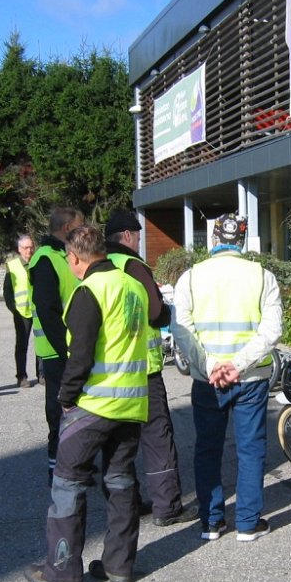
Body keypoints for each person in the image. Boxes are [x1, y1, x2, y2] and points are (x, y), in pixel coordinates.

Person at [25, 223, 150, 582]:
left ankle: (62, 568)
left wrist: (66, 397)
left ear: (75, 258)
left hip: (94, 404)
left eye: (69, 260)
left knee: (67, 480)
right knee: (121, 481)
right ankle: (119, 565)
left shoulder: (90, 290)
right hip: (131, 404)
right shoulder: (133, 286)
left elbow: (80, 353)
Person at [173, 214, 282, 542]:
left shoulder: (190, 277)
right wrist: (238, 364)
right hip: (251, 378)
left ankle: (211, 522)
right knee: (251, 449)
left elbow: (181, 329)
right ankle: (248, 523)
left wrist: (210, 366)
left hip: (208, 380)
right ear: (242, 241)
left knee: (207, 448)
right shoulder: (263, 276)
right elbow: (272, 331)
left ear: (213, 239)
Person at [105, 209, 198, 527]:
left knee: (120, 443)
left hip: (109, 373)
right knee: (157, 438)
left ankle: (127, 502)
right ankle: (167, 507)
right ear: (127, 236)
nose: (139, 242)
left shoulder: (97, 266)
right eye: (138, 236)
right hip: (143, 371)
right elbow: (157, 313)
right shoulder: (134, 266)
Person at [29, 207, 83, 482]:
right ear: (66, 229)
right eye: (79, 226)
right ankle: (57, 466)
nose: (83, 230)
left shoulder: (65, 255)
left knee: (77, 409)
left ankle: (75, 463)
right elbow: (48, 311)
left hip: (73, 347)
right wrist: (67, 350)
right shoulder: (45, 259)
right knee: (59, 409)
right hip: (57, 351)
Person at [3, 234, 40, 388]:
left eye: (31, 247)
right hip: (21, 312)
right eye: (26, 248)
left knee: (41, 344)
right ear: (19, 249)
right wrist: (14, 309)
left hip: (38, 310)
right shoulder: (12, 266)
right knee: (22, 345)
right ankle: (21, 376)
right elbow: (7, 292)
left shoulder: (39, 262)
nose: (29, 251)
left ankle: (42, 375)